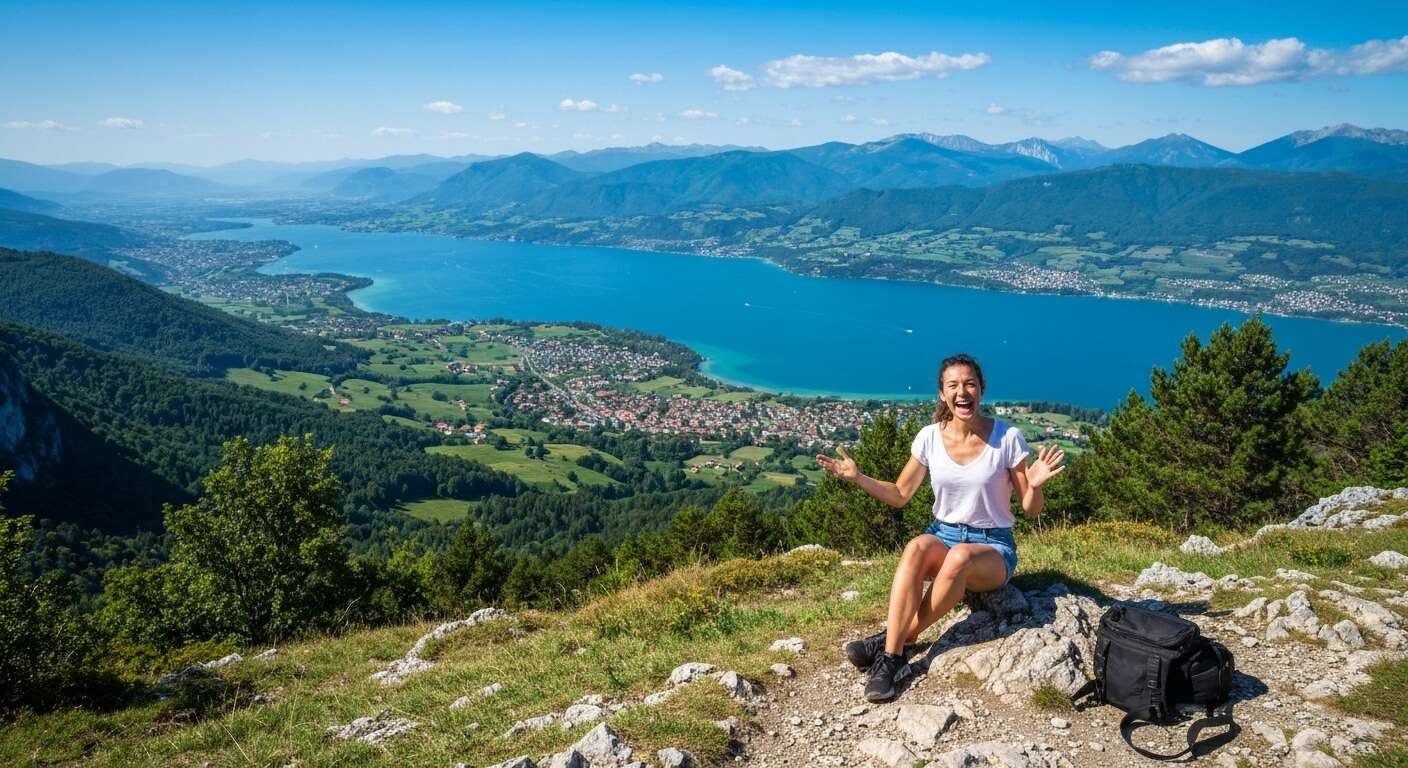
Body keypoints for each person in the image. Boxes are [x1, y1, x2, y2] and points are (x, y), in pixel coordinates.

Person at [816, 353, 1065, 702]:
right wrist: (858, 477)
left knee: (960, 556)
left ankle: (895, 642)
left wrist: (1035, 486)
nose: (962, 392)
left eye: (970, 384)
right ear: (942, 394)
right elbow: (900, 494)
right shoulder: (929, 437)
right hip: (943, 534)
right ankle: (893, 656)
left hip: (993, 547)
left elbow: (1030, 508)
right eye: (953, 386)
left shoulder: (1007, 438)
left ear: (981, 389)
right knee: (917, 546)